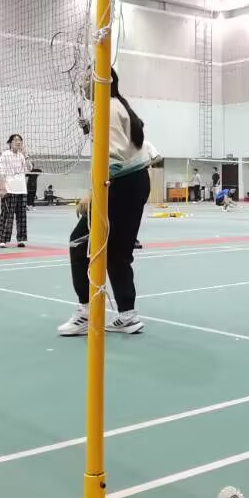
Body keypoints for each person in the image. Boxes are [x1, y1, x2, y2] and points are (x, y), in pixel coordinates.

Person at [58, 68, 152, 337]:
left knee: (79, 243)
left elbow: (115, 156)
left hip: (119, 183)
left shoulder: (108, 108)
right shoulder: (117, 105)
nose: (82, 82)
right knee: (118, 253)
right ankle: (127, 315)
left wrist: (94, 192)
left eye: (87, 76)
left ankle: (85, 312)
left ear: (104, 80)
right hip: (136, 181)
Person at [0, 134, 30, 248]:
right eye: (15, 140)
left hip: (21, 189)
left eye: (20, 140)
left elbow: (29, 169)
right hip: (9, 189)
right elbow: (1, 172)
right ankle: (3, 240)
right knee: (7, 216)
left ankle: (21, 239)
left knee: (22, 216)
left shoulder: (22, 156)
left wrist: (26, 155)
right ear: (10, 142)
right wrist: (2, 187)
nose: (18, 142)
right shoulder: (5, 155)